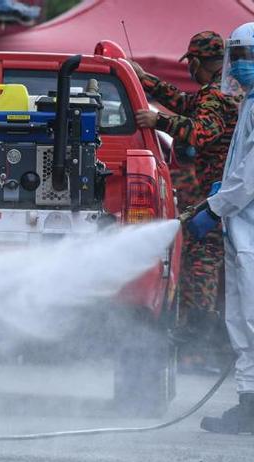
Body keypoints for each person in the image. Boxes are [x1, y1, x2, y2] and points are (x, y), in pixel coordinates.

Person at [130, 32, 239, 351]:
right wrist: (146, 80)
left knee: (203, 250)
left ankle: (198, 323)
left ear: (194, 62)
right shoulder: (224, 90)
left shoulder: (215, 95)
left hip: (224, 193)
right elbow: (187, 103)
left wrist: (158, 120)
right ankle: (200, 321)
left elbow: (201, 133)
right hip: (227, 192)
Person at [190, 22, 254, 434]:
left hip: (248, 228)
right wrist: (222, 192)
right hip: (242, 228)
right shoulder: (249, 101)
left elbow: (251, 175)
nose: (242, 65)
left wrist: (214, 207)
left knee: (251, 319)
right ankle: (248, 404)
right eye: (239, 56)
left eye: (249, 56)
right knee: (241, 319)